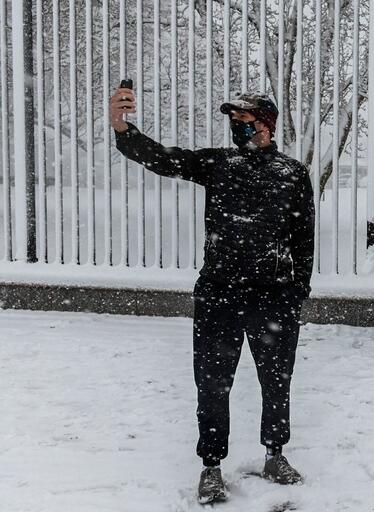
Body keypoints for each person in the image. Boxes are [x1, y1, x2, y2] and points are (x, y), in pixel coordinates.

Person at [109, 87, 315, 504]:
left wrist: (296, 294)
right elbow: (165, 160)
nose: (237, 128)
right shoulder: (219, 163)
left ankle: (275, 454)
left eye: (245, 120)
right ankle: (211, 465)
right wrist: (122, 128)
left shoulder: (292, 173)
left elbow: (303, 237)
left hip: (273, 296)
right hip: (220, 293)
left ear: (267, 125)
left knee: (276, 381)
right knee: (213, 383)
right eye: (234, 121)